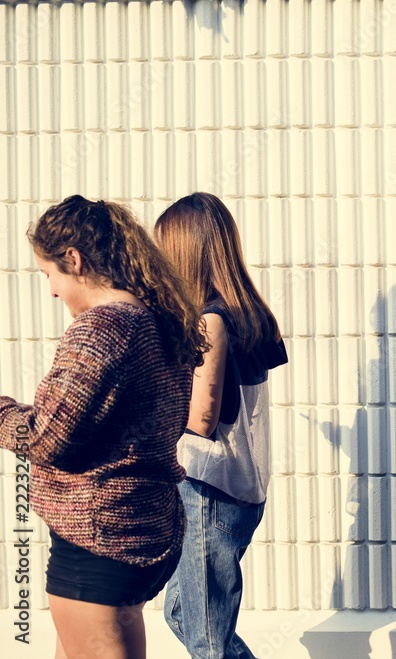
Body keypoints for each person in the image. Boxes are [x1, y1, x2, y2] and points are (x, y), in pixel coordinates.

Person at [0, 195, 204, 658]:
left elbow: (45, 437)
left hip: (97, 541)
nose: (51, 291)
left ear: (73, 259)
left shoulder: (104, 326)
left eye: (48, 274)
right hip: (138, 528)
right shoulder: (156, 319)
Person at [155, 192, 288, 659]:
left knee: (206, 641)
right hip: (241, 487)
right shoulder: (249, 312)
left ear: (184, 252)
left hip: (209, 489)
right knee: (182, 616)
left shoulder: (211, 319)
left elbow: (202, 417)